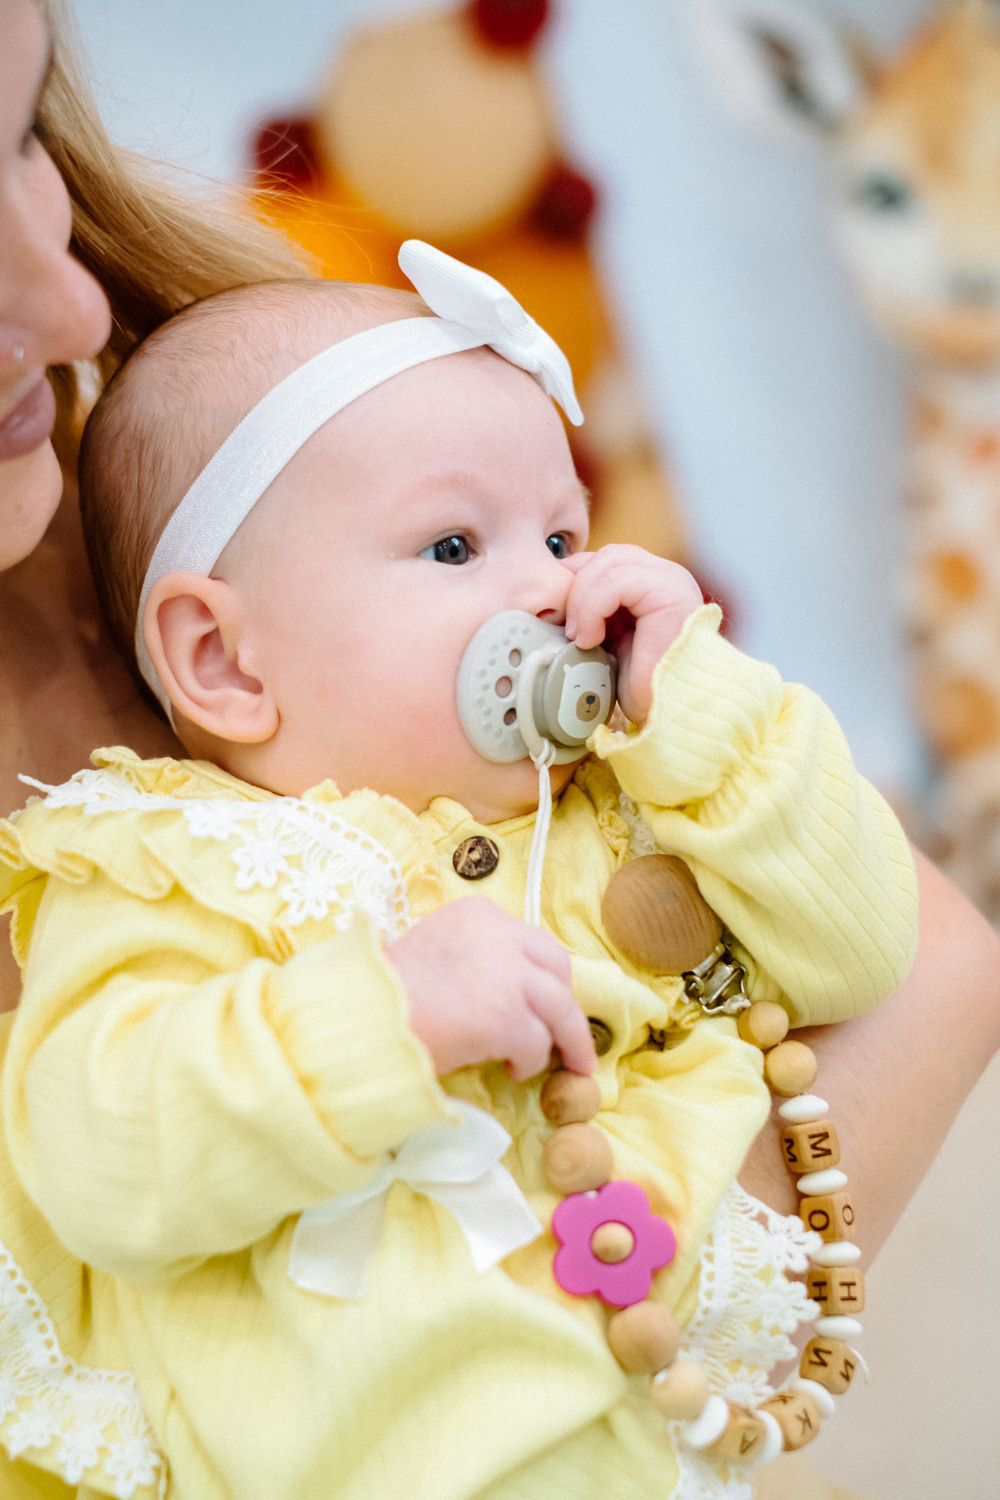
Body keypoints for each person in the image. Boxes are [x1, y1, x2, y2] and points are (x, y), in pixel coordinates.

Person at [0, 241, 920, 1499]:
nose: (549, 590)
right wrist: (377, 1021)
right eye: (451, 547)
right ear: (223, 660)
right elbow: (100, 1158)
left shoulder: (630, 799)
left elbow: (868, 950)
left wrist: (705, 710)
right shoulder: (182, 862)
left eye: (560, 530)